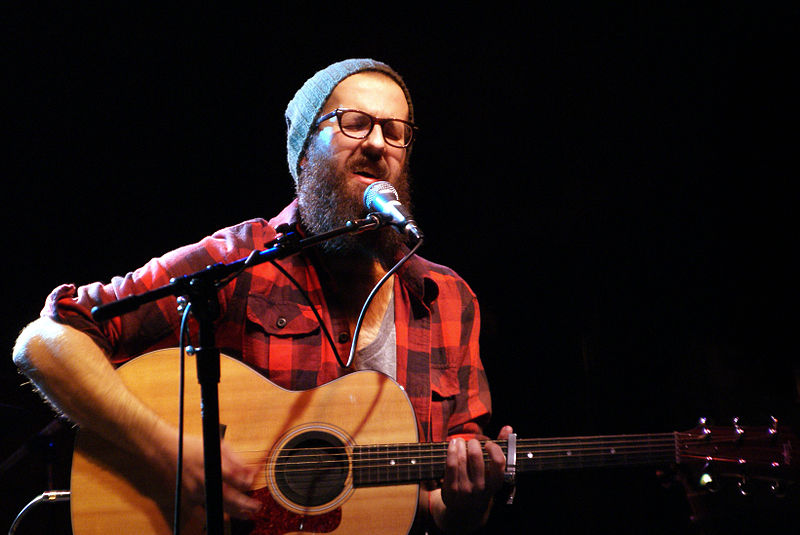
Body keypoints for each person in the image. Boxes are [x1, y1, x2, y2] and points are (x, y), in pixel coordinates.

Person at [12, 58, 511, 534]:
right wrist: (168, 450)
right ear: (304, 151)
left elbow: (443, 508)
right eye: (355, 123)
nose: (378, 143)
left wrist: (467, 500)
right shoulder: (239, 263)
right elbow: (46, 341)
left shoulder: (446, 300)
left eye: (395, 131)